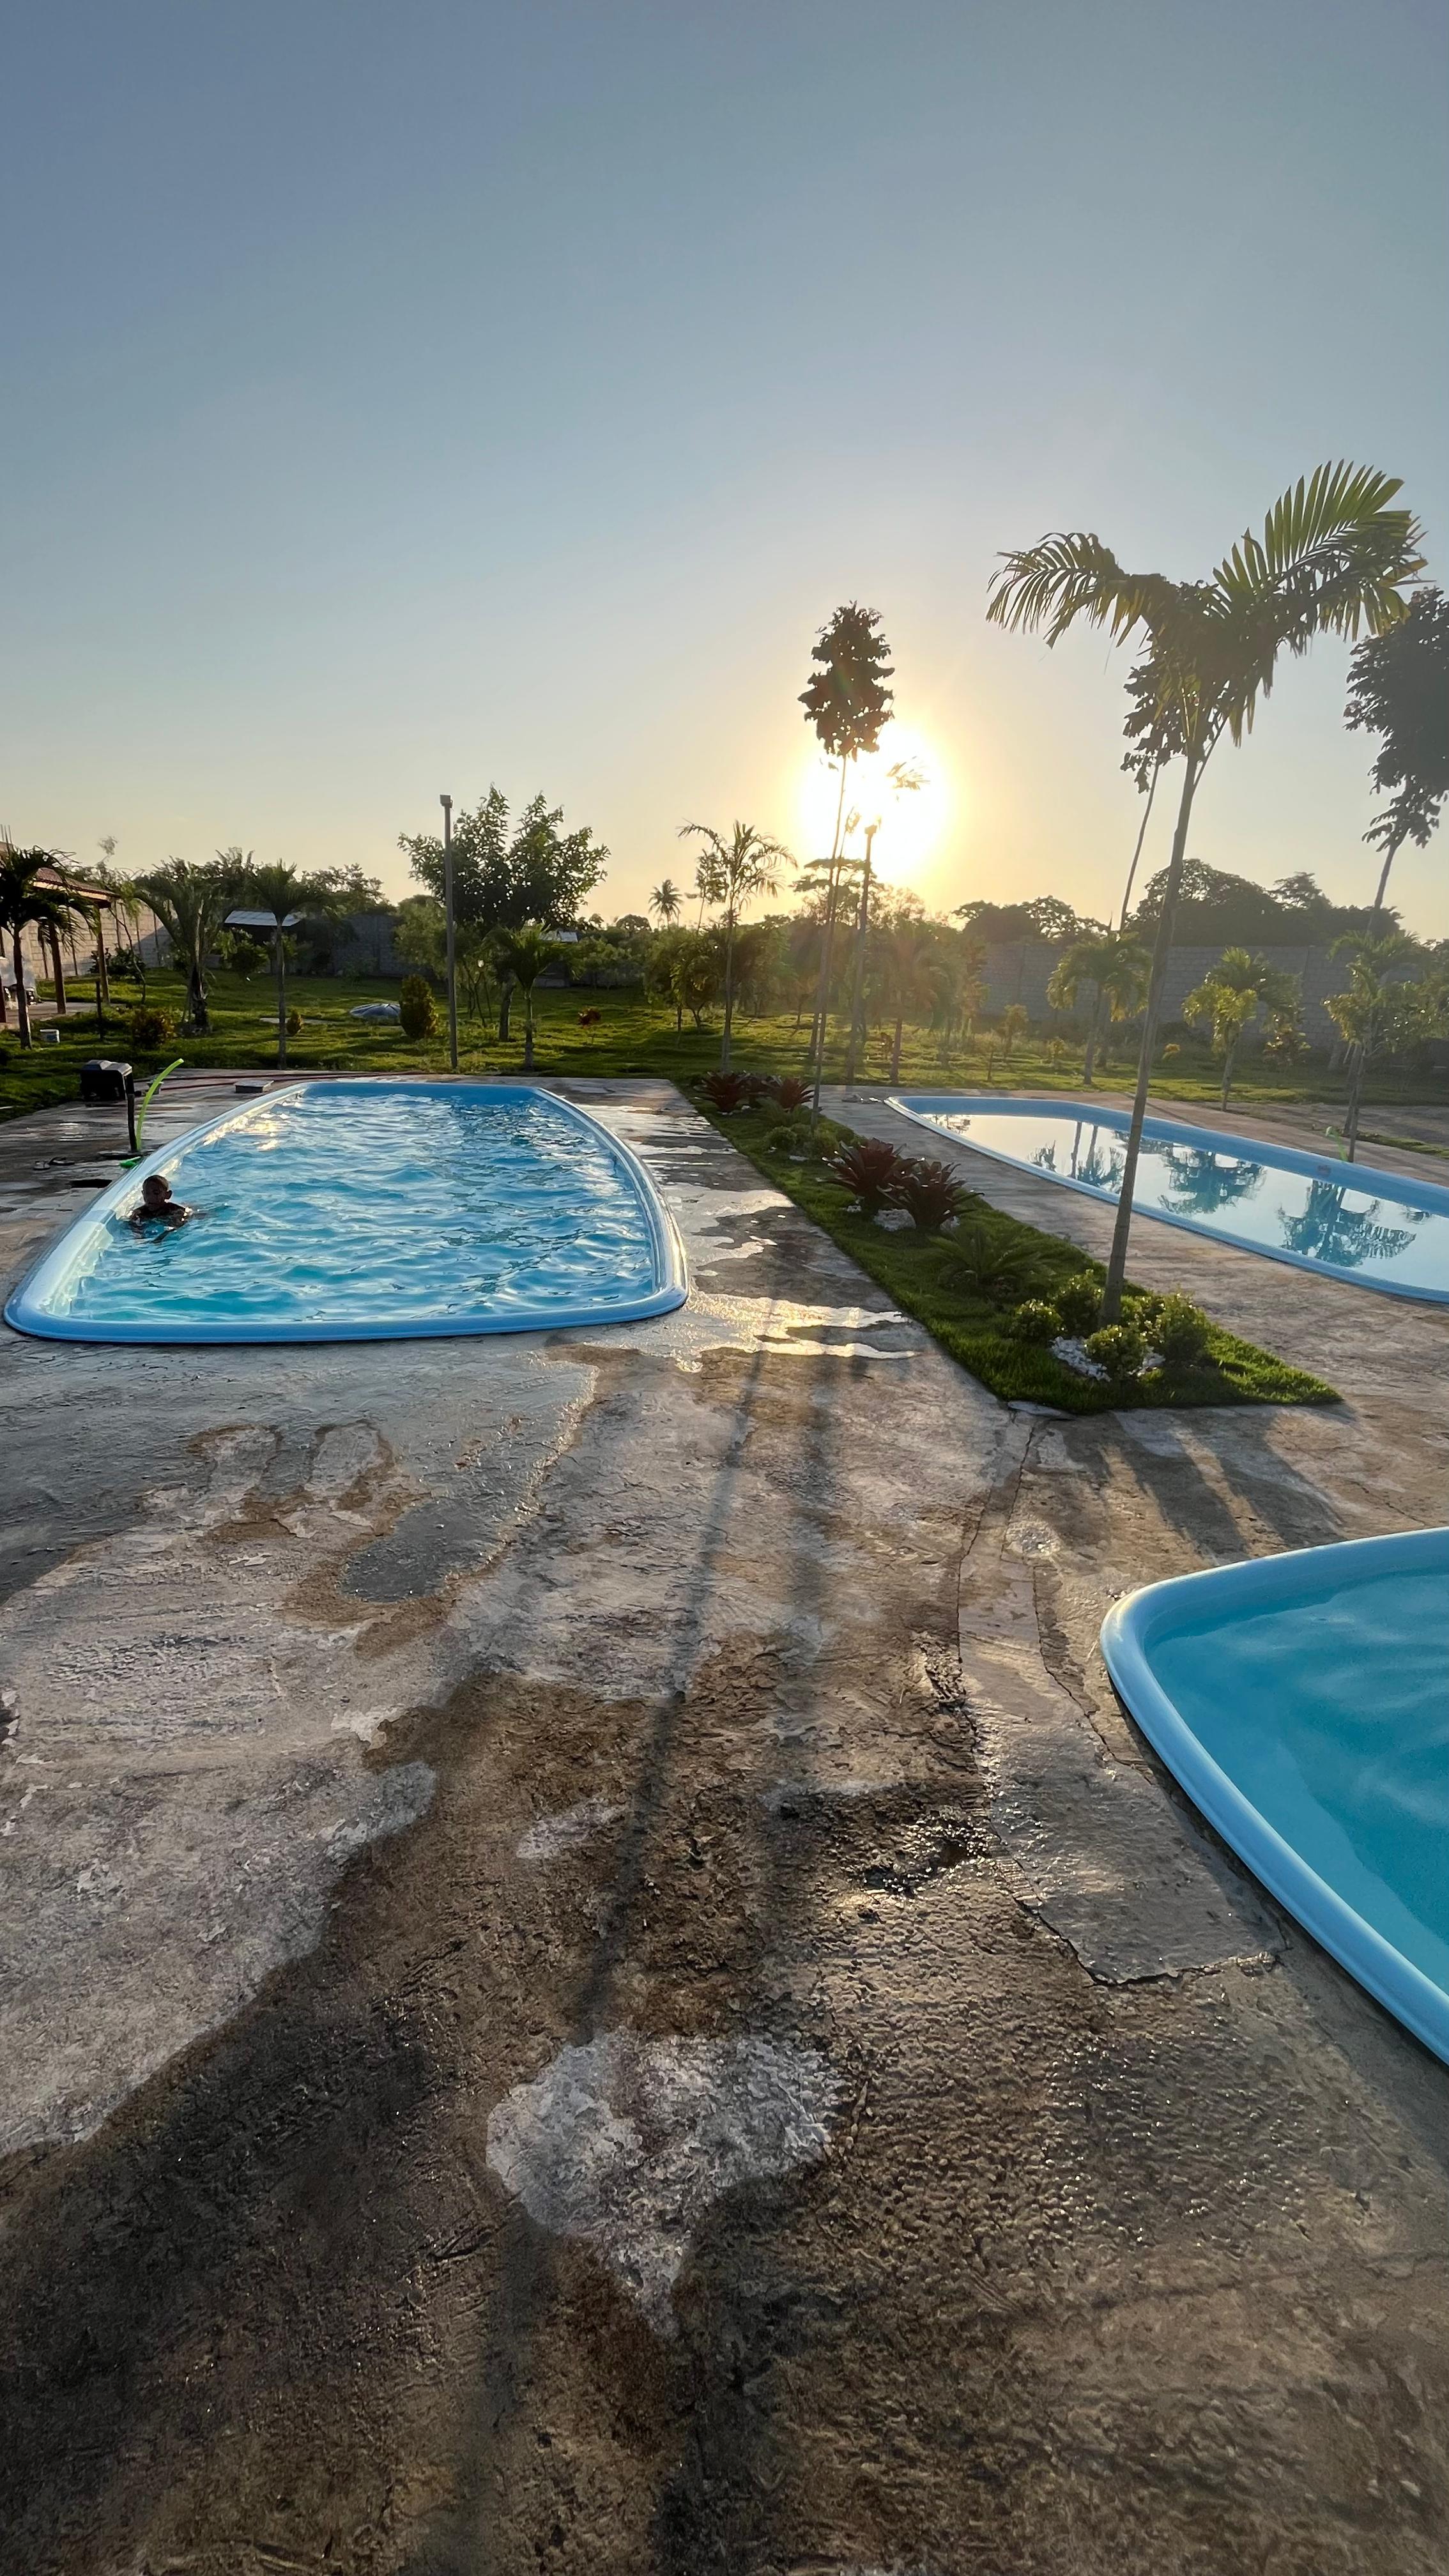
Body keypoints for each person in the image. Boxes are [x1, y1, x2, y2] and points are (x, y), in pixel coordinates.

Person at [128, 1174, 193, 1232]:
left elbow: (187, 1217)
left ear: (168, 1195)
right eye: (147, 1193)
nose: (150, 1198)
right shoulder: (139, 1214)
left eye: (156, 1193)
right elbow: (135, 1230)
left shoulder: (175, 1210)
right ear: (143, 1194)